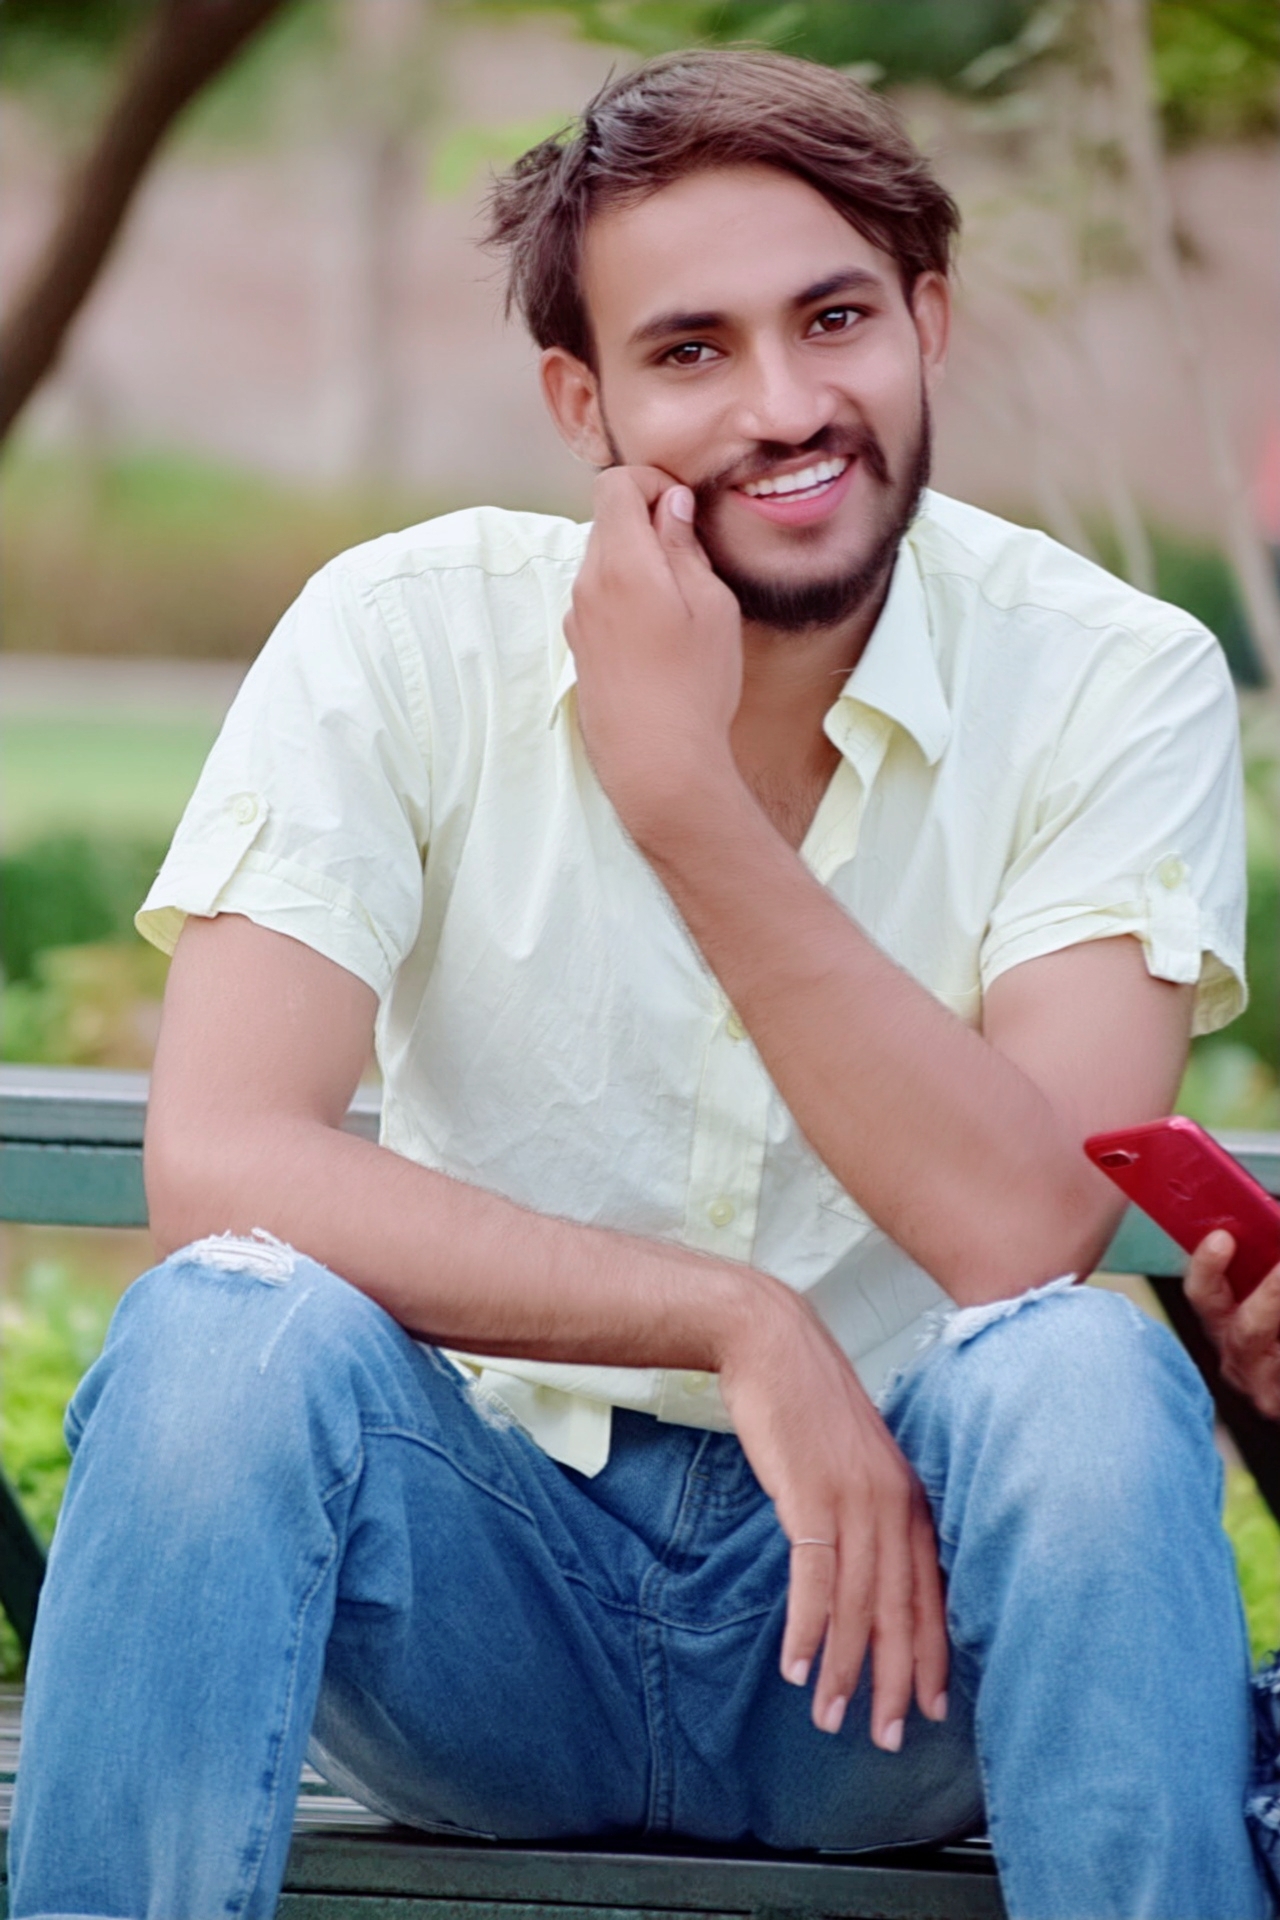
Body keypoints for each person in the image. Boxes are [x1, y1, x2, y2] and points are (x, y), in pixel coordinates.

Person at [9, 49, 1273, 1920]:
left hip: (893, 1634)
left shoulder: (1113, 679)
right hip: (478, 1605)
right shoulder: (404, 633)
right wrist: (736, 1322)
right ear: (583, 403)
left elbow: (1020, 1232)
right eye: (692, 351)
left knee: (1082, 1367)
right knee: (221, 1335)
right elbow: (223, 1163)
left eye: (835, 319)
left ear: (927, 321)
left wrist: (684, 798)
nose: (786, 405)